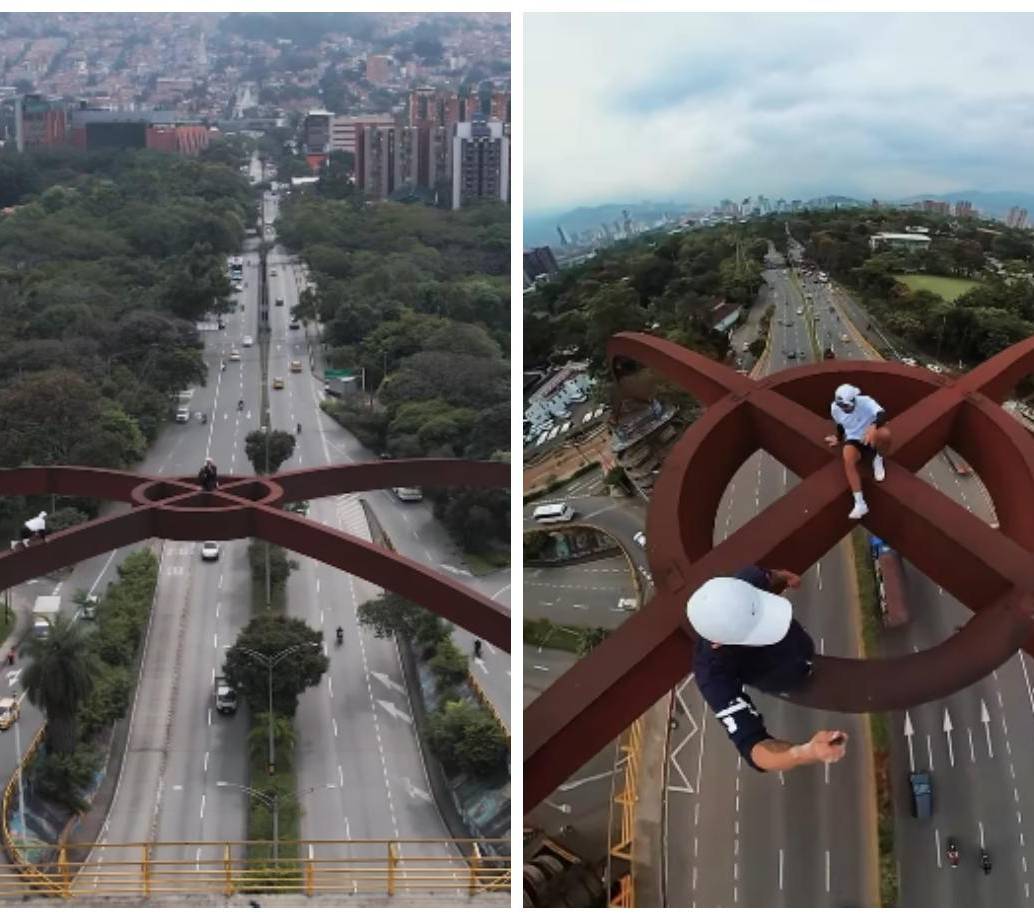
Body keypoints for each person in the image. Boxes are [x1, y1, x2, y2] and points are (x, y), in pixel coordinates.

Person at [686, 565, 848, 772]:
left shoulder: (742, 585)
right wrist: (805, 752)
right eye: (757, 632)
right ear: (718, 643)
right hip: (785, 678)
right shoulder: (712, 674)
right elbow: (754, 747)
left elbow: (766, 575)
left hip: (800, 645)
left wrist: (784, 576)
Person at [825, 383, 892, 521]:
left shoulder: (865, 401)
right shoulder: (835, 408)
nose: (845, 409)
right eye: (842, 406)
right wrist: (838, 438)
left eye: (847, 406)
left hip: (871, 436)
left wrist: (874, 426)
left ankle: (878, 459)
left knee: (885, 434)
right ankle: (860, 503)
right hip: (854, 439)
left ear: (854, 400)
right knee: (848, 458)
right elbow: (840, 424)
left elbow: (882, 414)